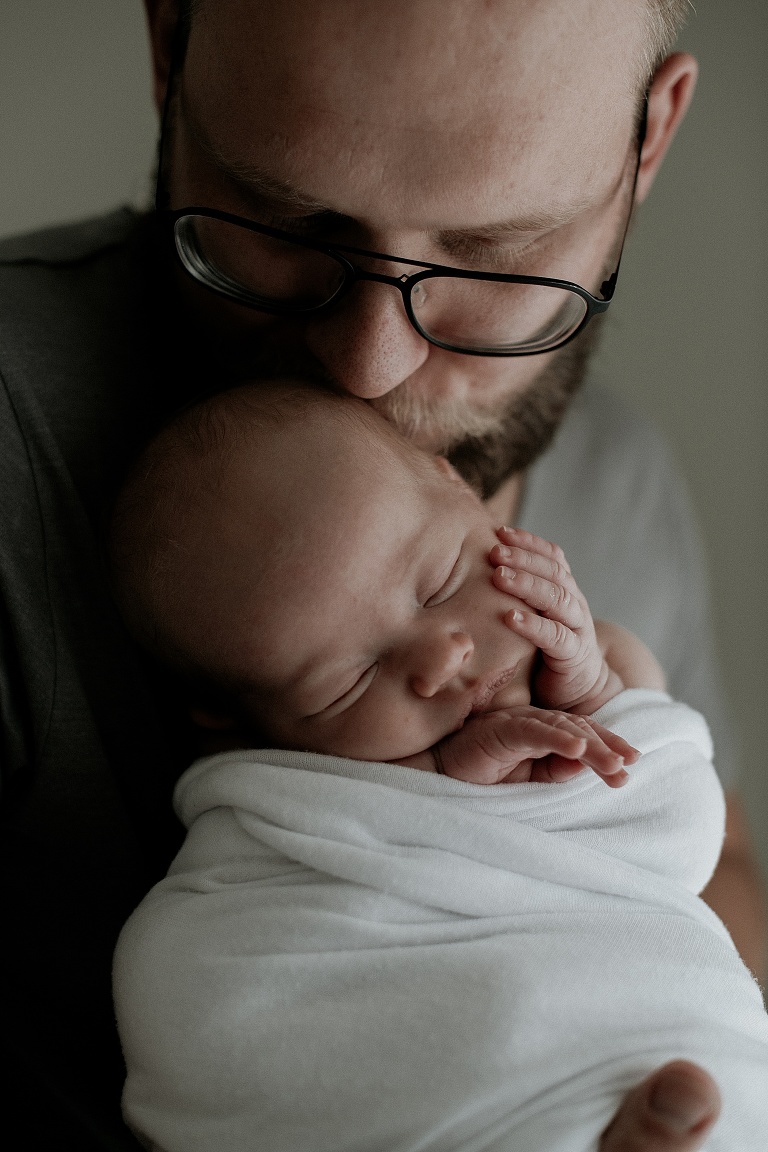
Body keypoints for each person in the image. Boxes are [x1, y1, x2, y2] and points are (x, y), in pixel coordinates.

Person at [0, 1, 762, 1147]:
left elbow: (719, 872)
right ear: (170, 48)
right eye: (283, 218)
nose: (369, 367)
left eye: (493, 252)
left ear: (648, 141)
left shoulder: (620, 477)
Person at [108, 381, 768, 1150]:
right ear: (237, 722)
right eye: (350, 681)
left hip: (657, 1073)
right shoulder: (284, 821)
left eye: (442, 581)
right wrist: (459, 793)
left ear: (466, 491)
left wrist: (598, 696)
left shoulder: (606, 652)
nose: (441, 661)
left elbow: (678, 836)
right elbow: (208, 1011)